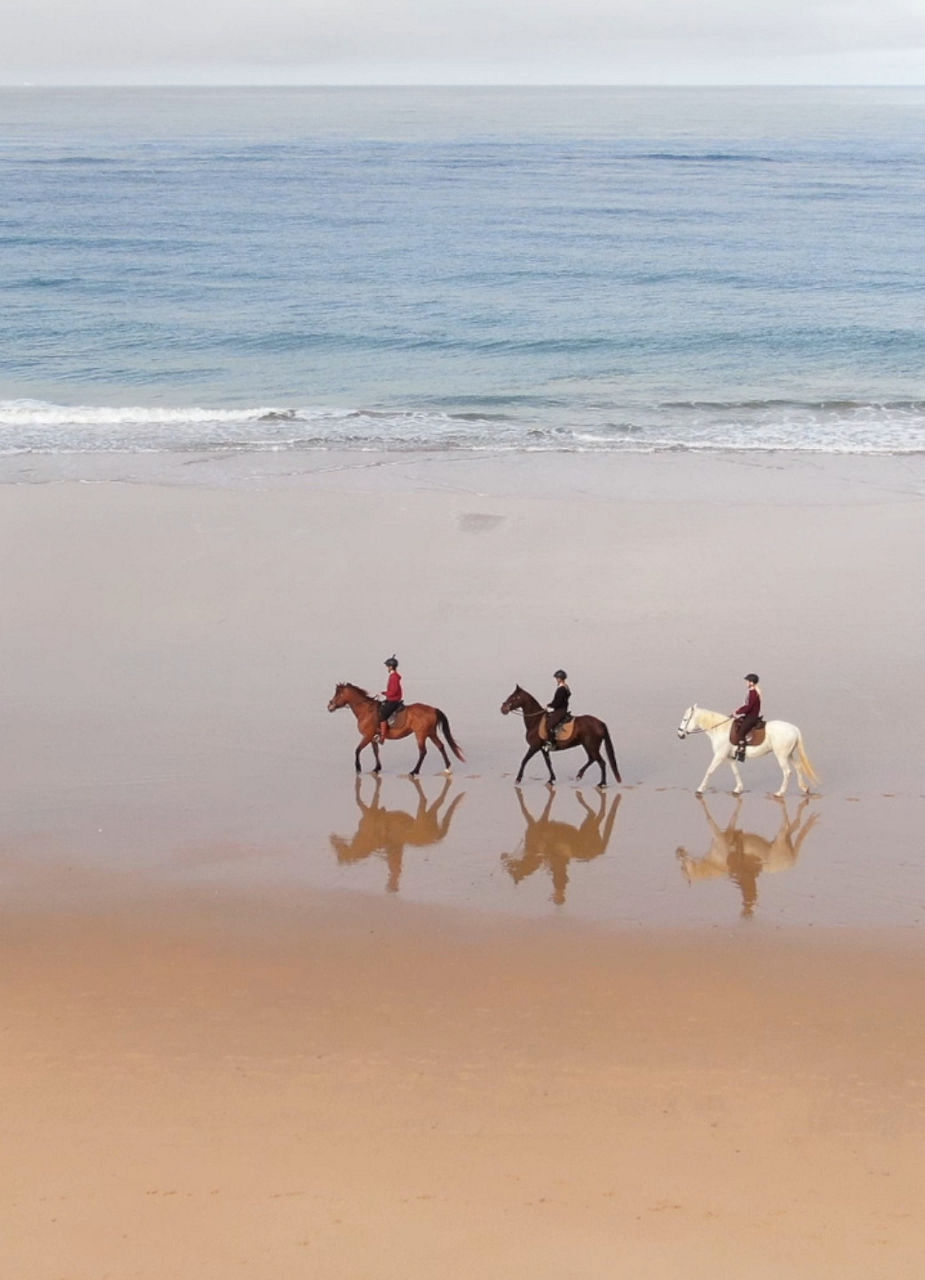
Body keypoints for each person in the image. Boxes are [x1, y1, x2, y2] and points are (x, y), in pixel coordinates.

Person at [731, 673, 761, 762]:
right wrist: (738, 711)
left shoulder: (753, 692)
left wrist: (737, 712)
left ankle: (742, 751)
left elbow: (749, 707)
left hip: (751, 717)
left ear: (751, 682)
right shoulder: (752, 692)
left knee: (741, 732)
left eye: (747, 681)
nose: (746, 683)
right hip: (748, 715)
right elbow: (747, 706)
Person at [377, 656, 404, 743]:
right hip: (391, 699)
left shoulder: (394, 677)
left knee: (383, 715)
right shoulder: (393, 676)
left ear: (391, 667)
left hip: (393, 700)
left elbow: (393, 691)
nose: (387, 668)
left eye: (388, 666)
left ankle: (382, 737)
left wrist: (384, 693)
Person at [544, 669, 571, 750]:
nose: (556, 680)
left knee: (549, 725)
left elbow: (558, 702)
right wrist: (550, 704)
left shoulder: (562, 688)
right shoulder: (564, 687)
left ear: (560, 678)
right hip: (559, 709)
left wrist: (550, 706)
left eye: (557, 678)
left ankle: (551, 743)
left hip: (560, 710)